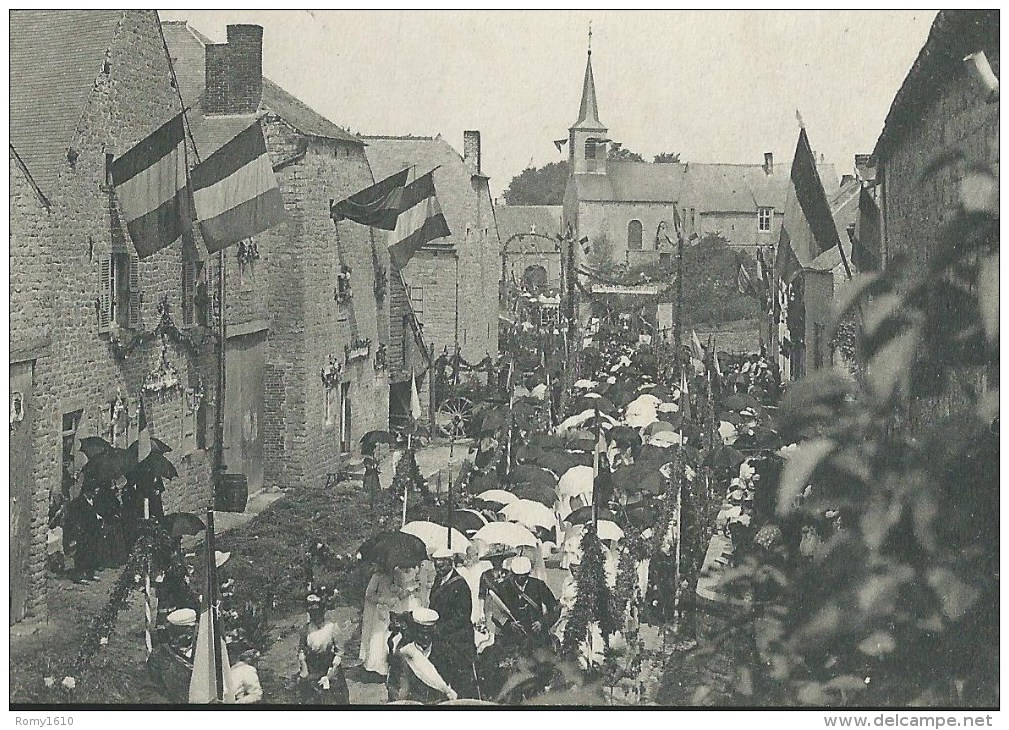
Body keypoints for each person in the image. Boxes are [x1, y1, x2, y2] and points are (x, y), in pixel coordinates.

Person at [359, 562, 429, 679]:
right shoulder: (377, 576)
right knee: (379, 637)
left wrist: (402, 591)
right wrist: (383, 600)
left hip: (395, 609)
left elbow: (401, 593)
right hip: (381, 611)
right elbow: (369, 594)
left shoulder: (398, 574)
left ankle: (391, 664)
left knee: (393, 636)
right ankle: (376, 666)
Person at [428, 549, 479, 699]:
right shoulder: (438, 579)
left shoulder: (460, 584)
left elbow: (463, 616)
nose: (439, 569)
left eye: (442, 566)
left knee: (461, 679)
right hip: (440, 637)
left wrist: (441, 628)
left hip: (458, 639)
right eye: (437, 567)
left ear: (450, 564)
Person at [387, 609, 458, 704]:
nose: (425, 638)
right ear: (414, 632)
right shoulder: (404, 653)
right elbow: (393, 687)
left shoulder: (444, 652)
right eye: (421, 633)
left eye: (429, 634)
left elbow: (450, 685)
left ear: (434, 632)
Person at [297, 594, 349, 704]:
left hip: (329, 666)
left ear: (323, 611)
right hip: (312, 667)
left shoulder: (332, 627)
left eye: (317, 612)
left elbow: (339, 652)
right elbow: (301, 650)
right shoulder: (306, 629)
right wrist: (304, 669)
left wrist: (330, 673)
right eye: (312, 613)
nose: (315, 616)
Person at [65, 481, 104, 582]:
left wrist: (96, 517)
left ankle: (90, 573)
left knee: (92, 552)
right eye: (94, 491)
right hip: (84, 532)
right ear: (88, 491)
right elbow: (74, 516)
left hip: (93, 531)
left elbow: (92, 513)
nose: (96, 494)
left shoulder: (93, 500)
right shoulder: (79, 502)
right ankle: (78, 575)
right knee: (82, 553)